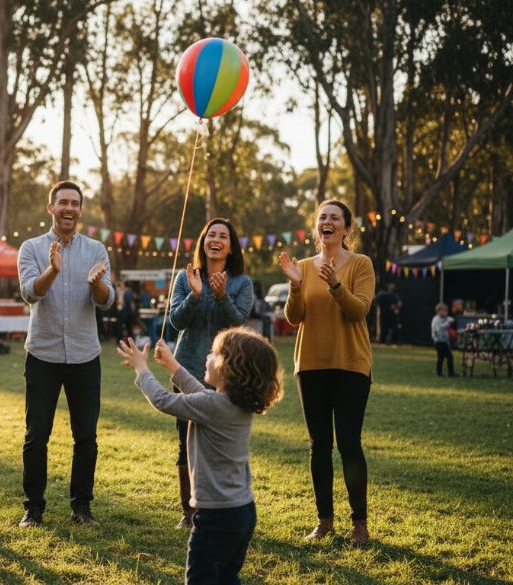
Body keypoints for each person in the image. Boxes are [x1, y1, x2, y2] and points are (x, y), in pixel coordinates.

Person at [116, 328, 282, 585]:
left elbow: (162, 400)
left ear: (231, 368)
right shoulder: (236, 403)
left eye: (215, 353)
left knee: (201, 579)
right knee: (226, 577)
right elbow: (198, 393)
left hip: (216, 516)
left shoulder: (212, 405)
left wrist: (142, 369)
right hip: (242, 512)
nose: (207, 356)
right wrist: (172, 365)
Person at [17, 180, 114, 527]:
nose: (69, 208)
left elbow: (108, 300)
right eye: (63, 203)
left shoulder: (96, 250)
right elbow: (30, 293)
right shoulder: (30, 248)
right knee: (36, 435)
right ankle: (34, 508)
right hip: (42, 355)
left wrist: (97, 284)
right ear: (51, 208)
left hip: (85, 357)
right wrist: (53, 270)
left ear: (80, 210)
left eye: (74, 203)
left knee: (86, 436)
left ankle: (81, 507)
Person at [278, 199, 375, 546]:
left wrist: (335, 284)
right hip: (311, 365)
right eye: (323, 217)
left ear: (347, 229)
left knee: (349, 442)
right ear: (317, 227)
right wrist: (295, 285)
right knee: (319, 445)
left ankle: (359, 524)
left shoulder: (360, 264)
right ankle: (324, 521)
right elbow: (294, 317)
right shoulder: (302, 266)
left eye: (335, 218)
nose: (328, 222)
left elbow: (358, 311)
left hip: (351, 364)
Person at [166, 218, 254, 530]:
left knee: (219, 443)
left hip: (225, 375)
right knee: (186, 442)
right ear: (204, 242)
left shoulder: (242, 283)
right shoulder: (185, 276)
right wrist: (195, 293)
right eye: (211, 235)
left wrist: (220, 296)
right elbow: (175, 322)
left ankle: (219, 507)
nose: (215, 240)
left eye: (222, 236)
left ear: (231, 247)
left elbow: (239, 325)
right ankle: (189, 513)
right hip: (187, 366)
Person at [431, 302, 456, 377]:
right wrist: (447, 323)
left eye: (447, 311)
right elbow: (439, 329)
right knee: (445, 357)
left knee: (445, 358)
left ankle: (444, 373)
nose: (446, 313)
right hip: (439, 341)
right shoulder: (436, 319)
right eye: (444, 311)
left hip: (444, 342)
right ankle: (443, 373)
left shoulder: (444, 318)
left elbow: (451, 319)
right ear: (439, 311)